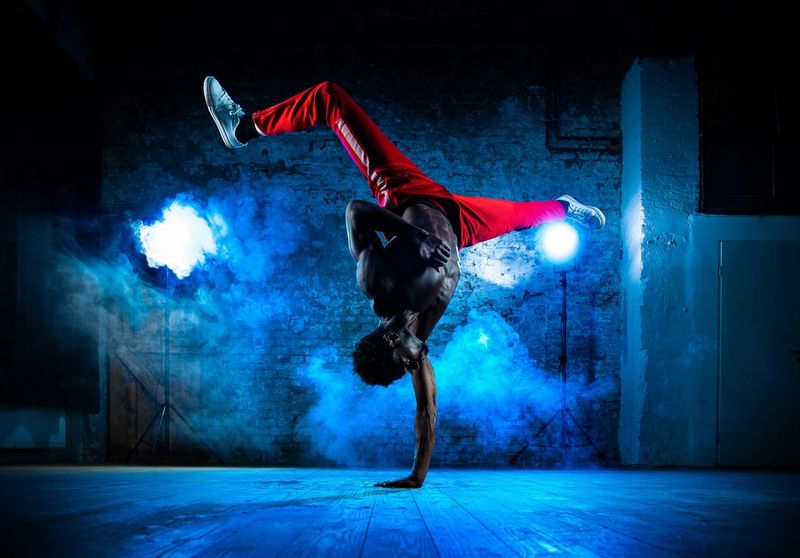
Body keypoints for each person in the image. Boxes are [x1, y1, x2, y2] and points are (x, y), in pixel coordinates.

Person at [204, 78, 605, 488]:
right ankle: (563, 208)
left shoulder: (378, 285)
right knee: (521, 216)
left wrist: (416, 236)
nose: (418, 362)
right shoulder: (420, 338)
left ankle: (242, 129)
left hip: (406, 193)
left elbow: (357, 212)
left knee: (330, 98)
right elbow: (427, 412)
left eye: (408, 360)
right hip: (459, 224)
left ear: (393, 342)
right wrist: (416, 476)